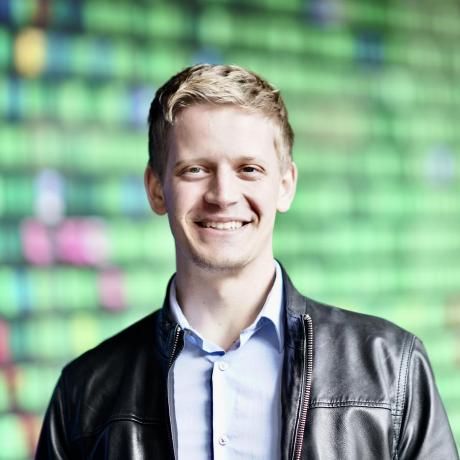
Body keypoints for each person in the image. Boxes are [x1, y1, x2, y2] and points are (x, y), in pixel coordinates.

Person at [36, 64, 458, 460]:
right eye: (195, 169)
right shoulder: (84, 392)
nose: (223, 195)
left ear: (285, 185)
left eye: (249, 169)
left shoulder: (391, 369)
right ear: (156, 189)